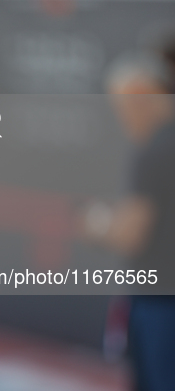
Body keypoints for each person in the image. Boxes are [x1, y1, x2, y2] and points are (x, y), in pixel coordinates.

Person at [84, 51, 175, 391]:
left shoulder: (154, 152)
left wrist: (97, 226)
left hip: (159, 305)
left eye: (122, 107)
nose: (123, 119)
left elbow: (130, 234)